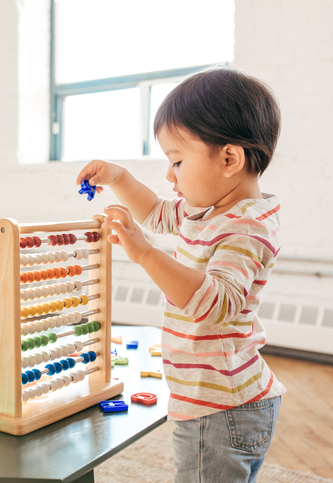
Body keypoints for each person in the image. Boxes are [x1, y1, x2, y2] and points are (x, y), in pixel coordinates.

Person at [76, 67, 286, 483]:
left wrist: (145, 254)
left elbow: (215, 304)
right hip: (226, 401)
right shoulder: (208, 210)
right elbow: (155, 212)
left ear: (229, 159)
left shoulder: (246, 227)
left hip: (220, 410)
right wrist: (119, 178)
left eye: (176, 161)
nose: (169, 175)